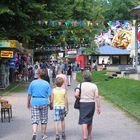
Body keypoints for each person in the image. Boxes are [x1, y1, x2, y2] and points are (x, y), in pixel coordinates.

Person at [74, 70, 101, 140]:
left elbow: (76, 94)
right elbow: (97, 96)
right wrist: (98, 107)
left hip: (82, 103)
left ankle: (84, 136)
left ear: (84, 77)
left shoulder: (80, 85)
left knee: (83, 120)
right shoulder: (94, 86)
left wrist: (78, 97)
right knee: (90, 120)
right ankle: (89, 136)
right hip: (91, 104)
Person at [27, 69, 52, 140]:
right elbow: (50, 95)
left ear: (37, 74)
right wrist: (51, 103)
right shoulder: (46, 83)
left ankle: (34, 132)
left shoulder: (33, 83)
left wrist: (28, 103)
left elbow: (29, 94)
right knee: (44, 119)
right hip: (44, 102)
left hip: (34, 101)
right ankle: (43, 135)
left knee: (34, 118)